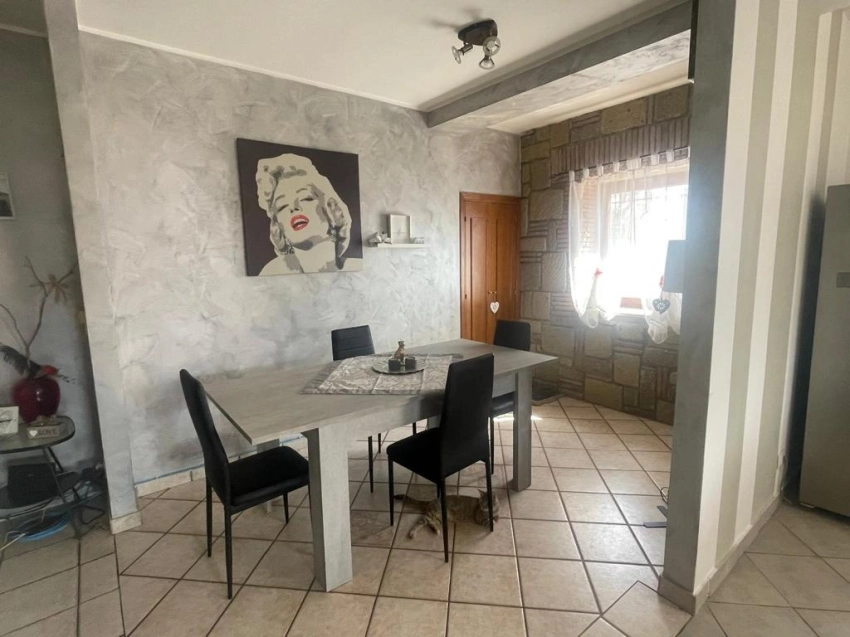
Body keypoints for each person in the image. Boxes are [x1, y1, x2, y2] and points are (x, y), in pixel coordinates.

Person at [255, 153, 361, 274]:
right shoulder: (272, 271)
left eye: (305, 198)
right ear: (278, 226)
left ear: (331, 209)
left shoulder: (356, 268)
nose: (293, 208)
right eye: (282, 206)